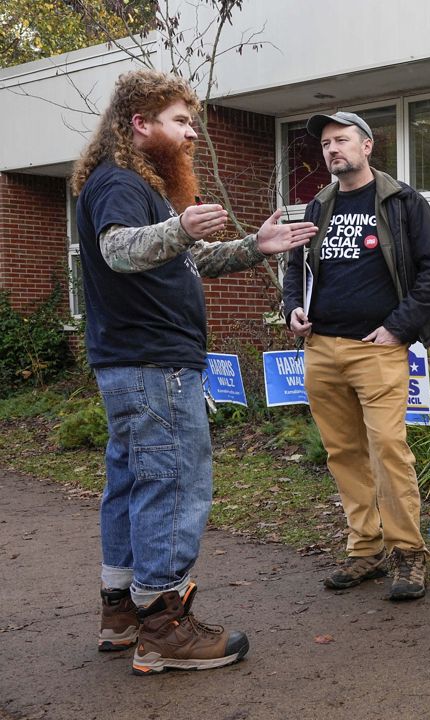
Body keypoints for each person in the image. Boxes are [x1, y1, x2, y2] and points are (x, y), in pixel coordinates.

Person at [72, 68, 317, 674]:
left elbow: (191, 259)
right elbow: (119, 250)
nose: (189, 135)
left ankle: (122, 613)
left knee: (132, 483)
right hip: (154, 365)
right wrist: (179, 226)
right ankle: (165, 626)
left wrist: (254, 248)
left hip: (134, 363)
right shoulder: (121, 183)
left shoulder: (136, 184)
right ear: (140, 123)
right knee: (172, 483)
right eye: (180, 122)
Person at [282, 111, 430, 602]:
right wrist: (292, 308)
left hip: (377, 350)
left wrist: (398, 328)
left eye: (342, 140)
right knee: (344, 453)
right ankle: (366, 548)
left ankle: (408, 553)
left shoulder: (401, 201)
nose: (332, 149)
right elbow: (297, 266)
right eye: (326, 143)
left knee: (388, 450)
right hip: (322, 348)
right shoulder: (318, 206)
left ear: (367, 145)